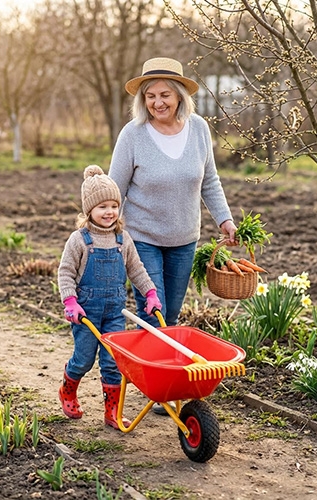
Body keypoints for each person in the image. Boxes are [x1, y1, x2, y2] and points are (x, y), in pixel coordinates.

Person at [109, 57, 238, 331]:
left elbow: (210, 181)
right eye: (150, 96)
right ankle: (148, 373)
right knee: (152, 314)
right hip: (142, 239)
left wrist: (224, 219)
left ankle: (163, 371)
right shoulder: (132, 135)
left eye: (165, 95)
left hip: (184, 239)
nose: (158, 103)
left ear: (179, 96)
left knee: (171, 317)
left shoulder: (199, 129)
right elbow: (114, 189)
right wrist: (104, 233)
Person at [57, 165, 161, 429]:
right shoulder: (79, 240)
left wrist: (150, 293)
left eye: (114, 206)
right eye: (102, 207)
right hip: (86, 313)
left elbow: (136, 268)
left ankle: (112, 412)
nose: (109, 212)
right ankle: (68, 389)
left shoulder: (122, 239)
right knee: (84, 358)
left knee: (113, 362)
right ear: (89, 210)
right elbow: (66, 272)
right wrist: (70, 302)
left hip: (115, 312)